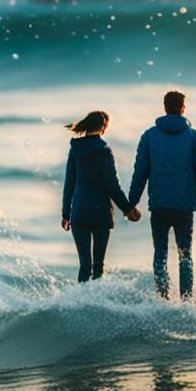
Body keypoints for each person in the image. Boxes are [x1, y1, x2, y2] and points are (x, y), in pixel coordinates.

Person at [129, 90, 196, 300]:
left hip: (159, 204)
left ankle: (162, 299)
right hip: (184, 206)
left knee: (160, 255)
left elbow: (140, 171)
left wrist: (131, 203)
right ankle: (186, 300)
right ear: (183, 108)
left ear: (165, 107)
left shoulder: (149, 135)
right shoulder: (193, 136)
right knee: (185, 255)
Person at [61, 110, 139, 283]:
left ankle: (80, 304)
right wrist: (127, 209)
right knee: (98, 266)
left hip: (79, 212)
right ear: (103, 128)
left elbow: (69, 184)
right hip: (100, 212)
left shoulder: (75, 149)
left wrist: (66, 214)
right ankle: (97, 305)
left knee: (84, 265)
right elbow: (112, 186)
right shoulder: (104, 150)